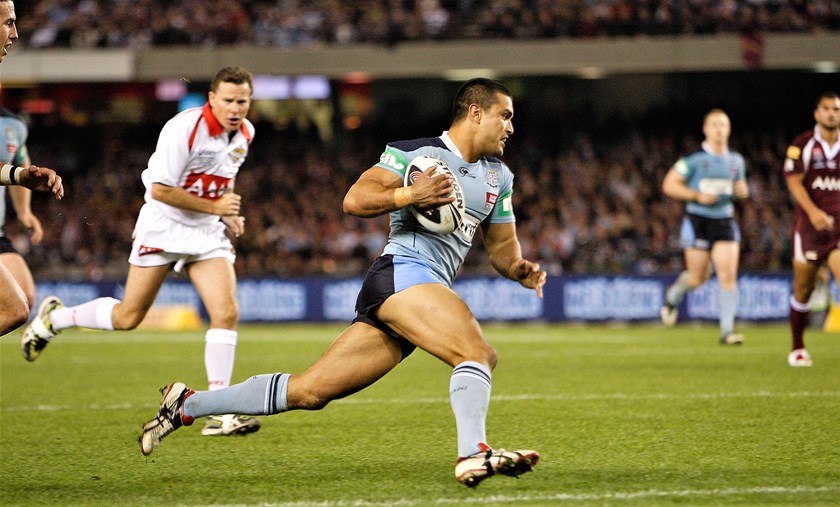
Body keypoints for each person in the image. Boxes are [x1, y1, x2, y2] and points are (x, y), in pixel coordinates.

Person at [138, 78, 546, 488]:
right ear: (476, 113)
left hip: (417, 290)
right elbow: (355, 199)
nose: (511, 127)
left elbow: (501, 247)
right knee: (476, 352)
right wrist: (409, 196)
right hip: (403, 272)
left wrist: (517, 268)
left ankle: (187, 403)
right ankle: (474, 454)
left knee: (310, 392)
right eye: (505, 116)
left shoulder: (498, 176)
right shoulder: (415, 153)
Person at [21, 66, 261, 436]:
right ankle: (55, 319)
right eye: (228, 100)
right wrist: (217, 209)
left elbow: (219, 182)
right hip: (163, 226)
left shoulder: (245, 133)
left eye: (242, 101)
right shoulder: (184, 129)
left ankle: (220, 412)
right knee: (127, 317)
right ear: (212, 99)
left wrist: (227, 216)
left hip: (205, 232)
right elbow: (161, 190)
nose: (235, 108)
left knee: (226, 312)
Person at [0, 0, 64, 337]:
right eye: (8, 22)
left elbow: (18, 159)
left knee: (18, 304)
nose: (15, 33)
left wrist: (21, 180)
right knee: (14, 307)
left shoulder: (12, 126)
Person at [659, 108, 749, 345]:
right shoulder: (693, 159)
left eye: (723, 125)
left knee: (727, 275)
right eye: (715, 125)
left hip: (724, 221)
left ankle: (727, 331)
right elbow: (669, 185)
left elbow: (741, 188)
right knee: (699, 278)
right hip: (698, 221)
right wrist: (696, 196)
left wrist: (743, 191)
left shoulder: (736, 161)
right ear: (706, 129)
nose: (720, 129)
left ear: (729, 130)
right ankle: (674, 295)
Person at [783, 91, 840, 367]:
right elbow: (794, 182)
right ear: (817, 113)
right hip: (810, 228)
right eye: (827, 109)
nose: (832, 113)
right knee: (803, 288)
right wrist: (815, 213)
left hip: (838, 227)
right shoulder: (803, 145)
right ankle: (797, 347)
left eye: (836, 109)